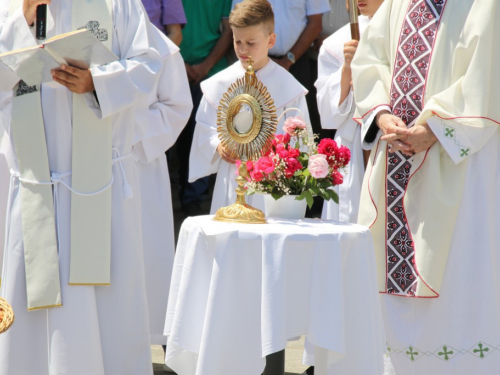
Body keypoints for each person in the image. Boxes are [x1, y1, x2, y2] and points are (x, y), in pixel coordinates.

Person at [0, 1, 173, 374]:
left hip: (99, 185)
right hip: (36, 186)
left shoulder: (119, 4)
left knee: (106, 310)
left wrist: (98, 82)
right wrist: (25, 17)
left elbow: (148, 65)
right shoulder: (11, 7)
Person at [352, 0, 500, 373]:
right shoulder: (398, 3)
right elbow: (371, 60)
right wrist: (383, 114)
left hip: (461, 163)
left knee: (457, 272)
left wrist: (433, 129)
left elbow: (487, 77)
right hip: (394, 159)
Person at [188, 0, 310, 214]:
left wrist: (276, 152)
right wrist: (218, 145)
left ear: (271, 40)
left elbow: (302, 140)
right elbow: (205, 128)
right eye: (237, 42)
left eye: (251, 43)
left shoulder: (289, 88)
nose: (243, 50)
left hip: (272, 184)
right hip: (232, 177)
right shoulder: (219, 84)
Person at [132, 27, 192, 348]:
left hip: (137, 162)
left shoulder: (160, 48)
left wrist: (125, 128)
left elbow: (177, 106)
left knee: (140, 256)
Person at [316, 0, 383, 223]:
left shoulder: (408, 31)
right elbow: (328, 113)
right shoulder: (335, 44)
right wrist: (347, 70)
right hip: (354, 143)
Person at [175, 0, 234, 216]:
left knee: (202, 135)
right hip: (170, 71)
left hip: (211, 74)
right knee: (171, 135)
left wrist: (205, 66)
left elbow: (229, 30)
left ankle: (193, 199)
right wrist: (178, 65)